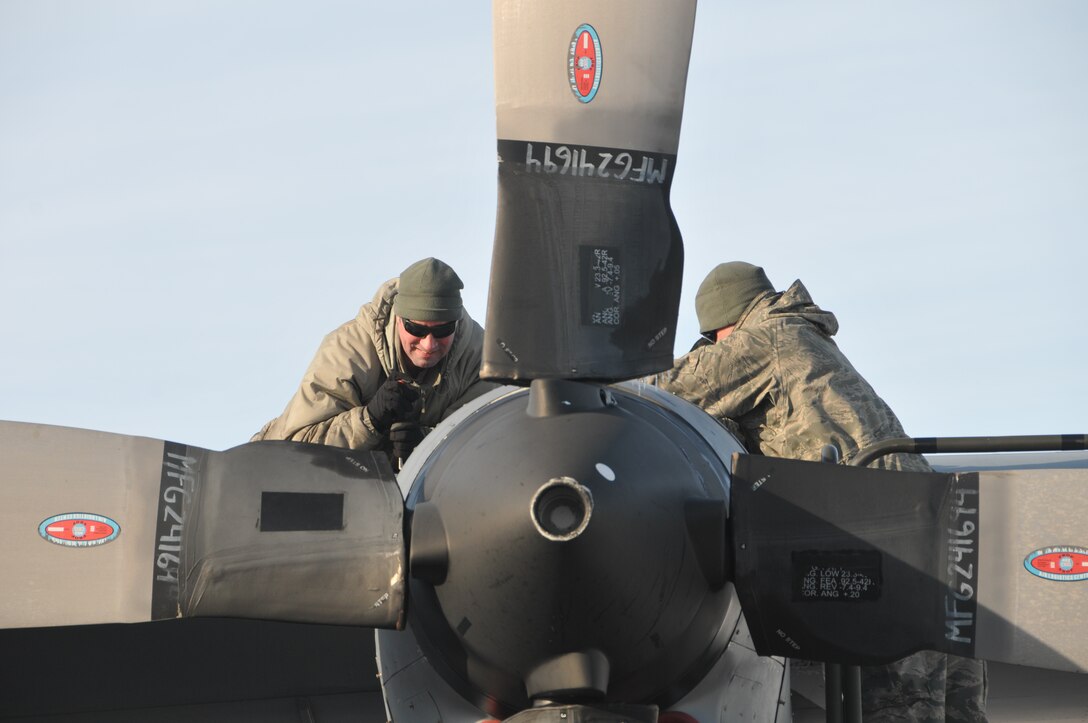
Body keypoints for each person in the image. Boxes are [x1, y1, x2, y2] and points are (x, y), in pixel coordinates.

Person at [649, 261, 987, 722]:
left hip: (883, 538)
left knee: (894, 706)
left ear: (724, 324)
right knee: (957, 709)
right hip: (944, 530)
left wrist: (577, 380)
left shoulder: (766, 338)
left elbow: (664, 390)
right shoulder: (809, 339)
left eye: (712, 342)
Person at [252, 257, 495, 467]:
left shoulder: (481, 361)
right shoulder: (348, 352)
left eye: (443, 331)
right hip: (271, 472)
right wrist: (371, 419)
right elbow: (296, 450)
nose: (429, 344)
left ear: (456, 322)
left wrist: (428, 442)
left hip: (417, 499)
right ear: (399, 318)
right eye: (416, 329)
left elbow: (487, 444)